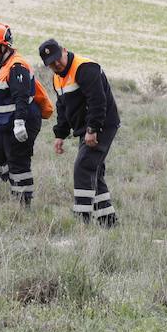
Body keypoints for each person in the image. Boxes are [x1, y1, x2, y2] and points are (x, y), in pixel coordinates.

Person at [40, 38, 120, 227]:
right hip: (86, 129)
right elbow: (63, 108)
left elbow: (98, 101)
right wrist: (60, 134)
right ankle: (109, 222)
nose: (56, 64)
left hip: (102, 125)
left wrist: (93, 129)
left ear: (64, 51)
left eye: (57, 58)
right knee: (94, 171)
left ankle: (82, 221)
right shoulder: (57, 77)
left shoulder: (85, 68)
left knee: (83, 167)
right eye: (51, 63)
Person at [0, 22, 45, 206]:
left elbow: (21, 97)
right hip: (4, 125)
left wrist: (20, 123)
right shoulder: (2, 65)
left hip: (19, 123)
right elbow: (4, 91)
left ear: (3, 46)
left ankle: (24, 209)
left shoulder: (17, 66)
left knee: (18, 165)